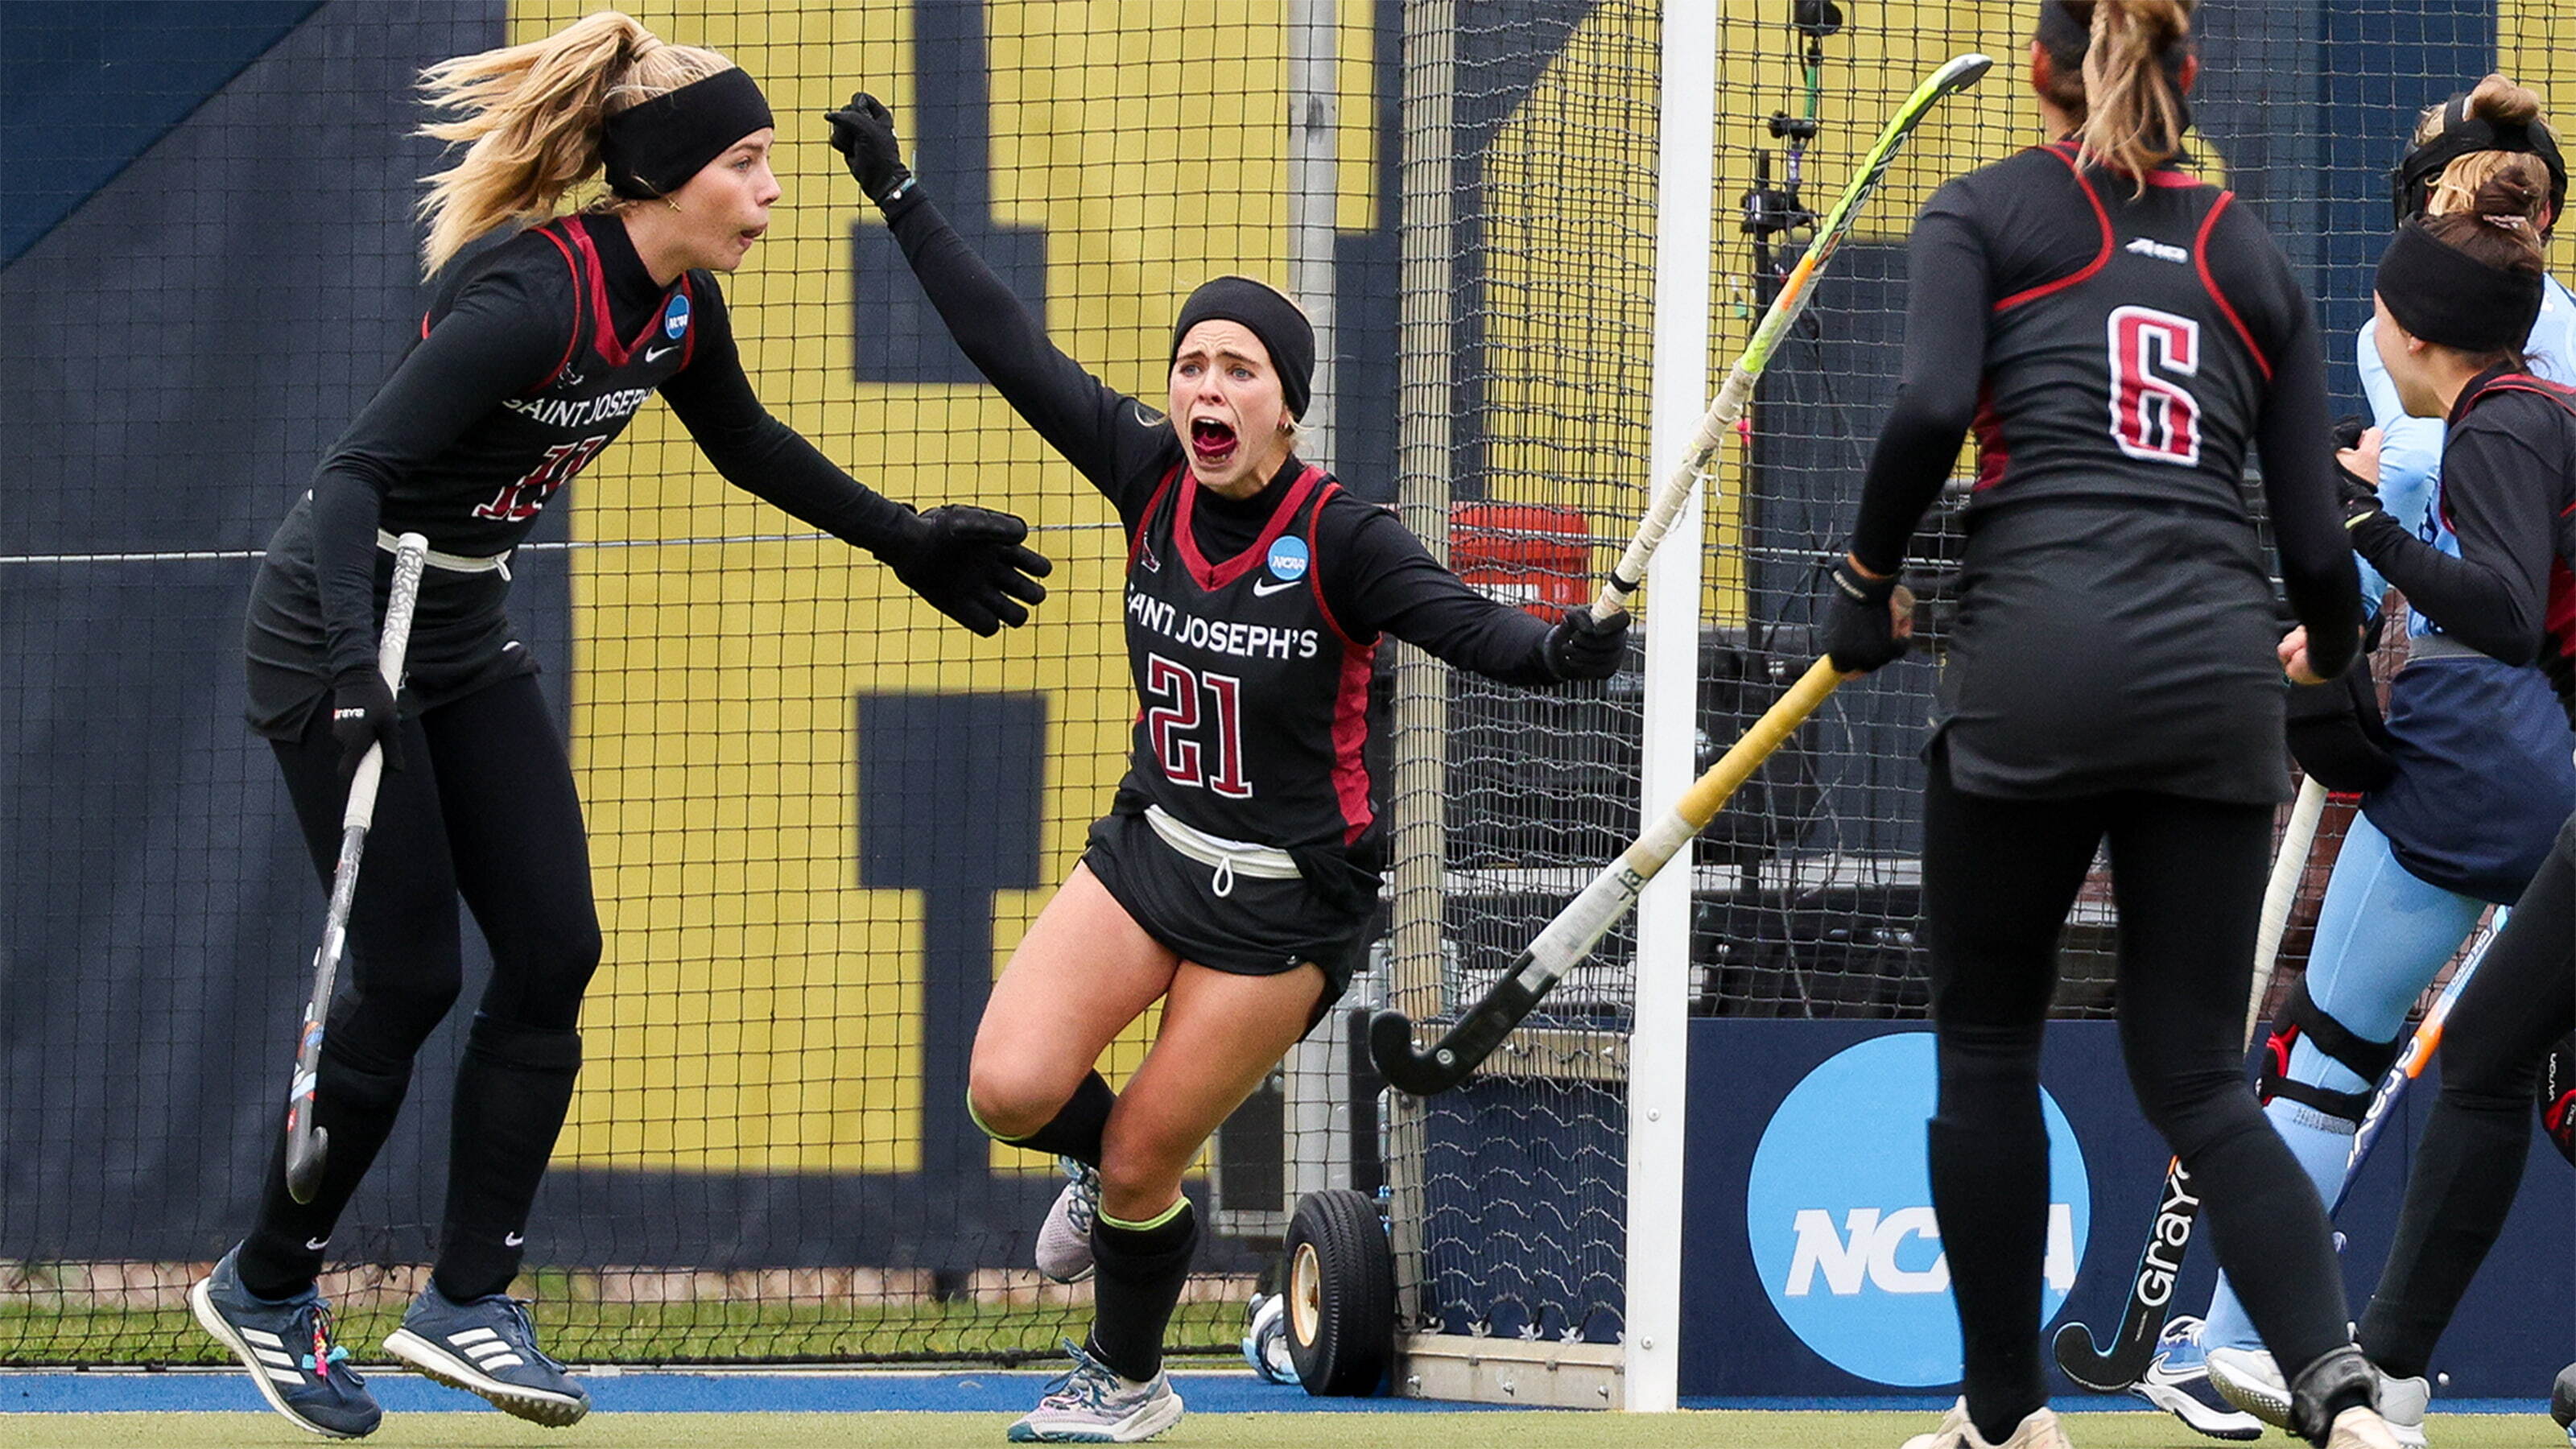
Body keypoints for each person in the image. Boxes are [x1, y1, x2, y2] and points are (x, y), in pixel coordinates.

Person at [192, 13, 1051, 1439]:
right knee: (405, 985)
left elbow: (753, 446)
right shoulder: (532, 299)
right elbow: (349, 485)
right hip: (343, 625)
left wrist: (906, 539)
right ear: (664, 175)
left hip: (460, 628)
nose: (773, 190)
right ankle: (268, 1285)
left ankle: (466, 1304)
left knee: (555, 948)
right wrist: (354, 677)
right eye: (751, 162)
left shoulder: (673, 311)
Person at [823, 90, 1631, 1444]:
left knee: (1147, 1153)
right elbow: (1006, 342)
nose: (1206, 387)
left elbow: (1470, 627)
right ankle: (1107, 1187)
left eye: (1240, 370)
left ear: (1288, 409)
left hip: (1288, 904)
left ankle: (1126, 1383)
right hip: (1153, 849)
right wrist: (901, 192)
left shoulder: (1349, 538)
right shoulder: (1147, 473)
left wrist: (1566, 653)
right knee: (1010, 1087)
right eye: (1193, 362)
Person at [1818, 3, 2403, 1447]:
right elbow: (2321, 552)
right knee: (2201, 1079)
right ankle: (2340, 1395)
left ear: (2038, 68)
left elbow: (1930, 405)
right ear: (2192, 77)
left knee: (1988, 1053)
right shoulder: (2247, 251)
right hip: (2215, 684)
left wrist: (1862, 582)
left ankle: (2007, 1419)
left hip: (2034, 668)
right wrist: (2328, 664)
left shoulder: (1986, 212)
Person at [2145, 75, 2575, 1445]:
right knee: (2512, 1059)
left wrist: (2351, 557)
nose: (2375, 325)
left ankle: (2257, 1349)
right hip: (2538, 747)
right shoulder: (2521, 355)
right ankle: (2368, 1365)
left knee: (2345, 1044)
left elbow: (2496, 602)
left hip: (2472, 738)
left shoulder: (2497, 393)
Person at [2285, 171, 2574, 1442]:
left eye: (2379, 313)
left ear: (2411, 334)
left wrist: (2370, 532)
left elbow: (2508, 617)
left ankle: (2388, 1375)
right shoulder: (2537, 412)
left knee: (2492, 1057)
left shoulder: (2500, 428)